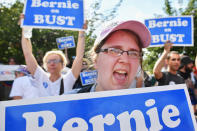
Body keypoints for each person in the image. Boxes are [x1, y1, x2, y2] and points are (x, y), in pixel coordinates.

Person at [20, 14, 87, 97]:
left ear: (63, 65)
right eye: (49, 61)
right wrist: (25, 29)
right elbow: (28, 54)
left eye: (55, 61)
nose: (52, 63)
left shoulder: (68, 79)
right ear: (45, 65)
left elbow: (79, 57)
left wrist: (81, 32)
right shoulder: (41, 77)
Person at [75, 20, 151, 93]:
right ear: (96, 60)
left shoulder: (150, 104)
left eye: (133, 53)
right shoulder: (69, 102)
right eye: (114, 50)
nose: (125, 60)